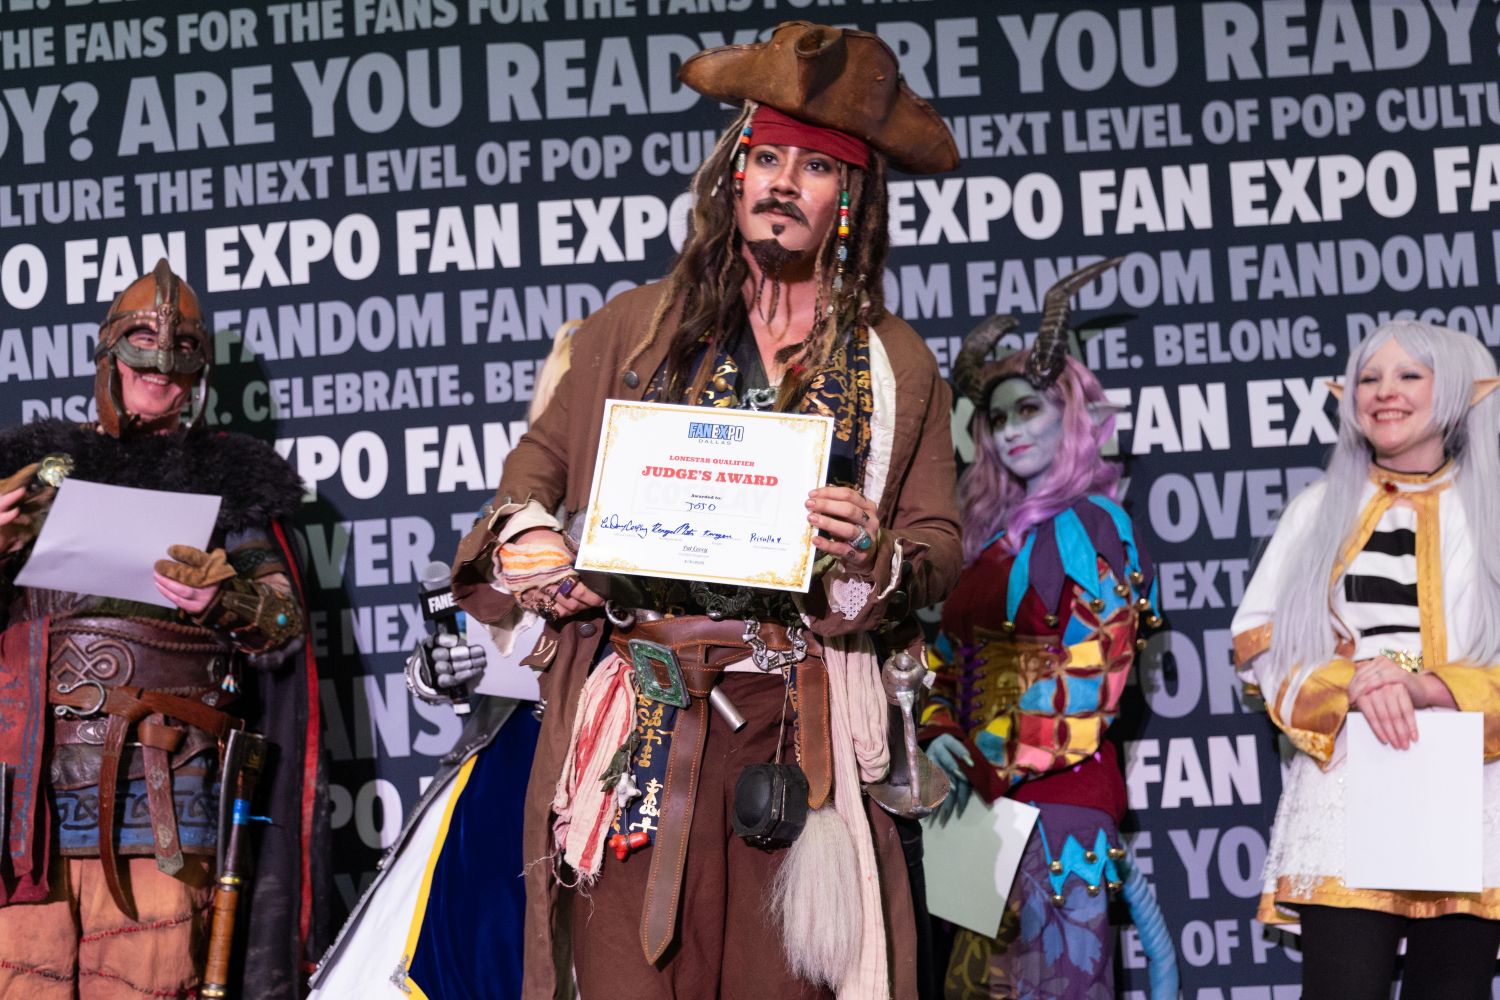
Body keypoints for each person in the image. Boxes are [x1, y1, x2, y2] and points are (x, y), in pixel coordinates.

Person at [450, 21, 962, 1000]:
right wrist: (531, 542)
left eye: (815, 166)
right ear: (733, 173)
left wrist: (877, 548)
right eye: (766, 157)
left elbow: (937, 540)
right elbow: (528, 480)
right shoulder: (629, 330)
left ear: (851, 199)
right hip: (640, 719)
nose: (782, 182)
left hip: (796, 725)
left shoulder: (895, 364)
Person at [0, 260, 322, 999]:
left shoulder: (228, 477)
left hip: (164, 794)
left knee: (148, 980)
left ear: (198, 373)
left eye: (178, 355)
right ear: (109, 357)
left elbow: (282, 621)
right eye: (142, 345)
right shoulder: (28, 471)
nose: (160, 368)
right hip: (27, 808)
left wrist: (221, 599)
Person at [921, 264, 1177, 999]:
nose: (1010, 432)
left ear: (1071, 413)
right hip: (970, 812)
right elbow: (943, 663)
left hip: (1057, 804)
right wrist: (938, 728)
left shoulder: (1096, 525)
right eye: (997, 419)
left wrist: (980, 758)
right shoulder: (984, 549)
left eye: (1028, 409)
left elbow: (1091, 682)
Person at [309, 320, 580, 1000]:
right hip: (515, 760)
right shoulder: (512, 520)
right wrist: (438, 668)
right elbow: (453, 646)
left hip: (626, 755)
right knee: (486, 942)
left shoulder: (645, 518)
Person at [1232, 319, 1500, 999]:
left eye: (1409, 375)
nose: (1384, 392)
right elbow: (1259, 641)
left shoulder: (1493, 514)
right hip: (1350, 778)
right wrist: (1354, 684)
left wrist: (1427, 686)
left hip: (1476, 786)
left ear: (1456, 392)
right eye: (1369, 378)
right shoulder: (1317, 510)